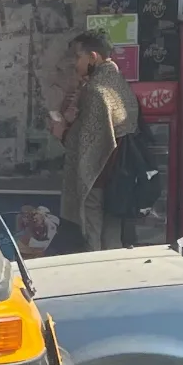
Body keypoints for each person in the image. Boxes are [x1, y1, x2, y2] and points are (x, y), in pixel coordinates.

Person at [45, 29, 138, 255]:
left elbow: (91, 141)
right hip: (118, 179)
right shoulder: (118, 83)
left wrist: (62, 133)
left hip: (96, 179)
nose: (76, 64)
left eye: (78, 57)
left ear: (93, 57)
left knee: (91, 239)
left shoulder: (97, 91)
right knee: (111, 240)